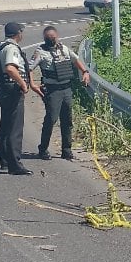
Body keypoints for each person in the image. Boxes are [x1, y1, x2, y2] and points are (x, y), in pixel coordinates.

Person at [0, 22, 41, 175]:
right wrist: (22, 83)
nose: (22, 34)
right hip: (12, 91)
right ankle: (15, 165)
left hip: (4, 89)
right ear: (18, 33)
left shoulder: (0, 46)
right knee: (15, 128)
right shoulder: (11, 48)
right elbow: (10, 68)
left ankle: (5, 161)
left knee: (6, 126)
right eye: (22, 32)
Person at [30, 25, 91, 161]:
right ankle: (43, 149)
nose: (52, 39)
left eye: (53, 37)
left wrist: (85, 72)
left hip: (66, 89)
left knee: (67, 120)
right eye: (49, 37)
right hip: (52, 90)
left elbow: (75, 60)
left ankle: (66, 150)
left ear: (57, 36)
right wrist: (32, 84)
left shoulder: (63, 49)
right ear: (45, 38)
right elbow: (29, 68)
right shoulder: (40, 52)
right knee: (51, 120)